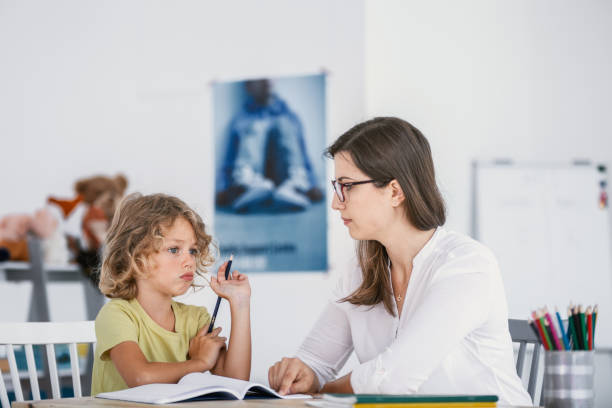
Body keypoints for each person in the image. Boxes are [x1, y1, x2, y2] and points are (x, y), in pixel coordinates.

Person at [267, 117, 532, 406]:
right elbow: (316, 361)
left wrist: (321, 390)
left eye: (347, 186)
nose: (336, 202)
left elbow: (393, 379)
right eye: (336, 186)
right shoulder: (361, 270)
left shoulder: (467, 265)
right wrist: (302, 373)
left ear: (395, 191)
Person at [91, 193, 251, 395]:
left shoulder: (195, 319)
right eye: (174, 250)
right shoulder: (117, 315)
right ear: (136, 256)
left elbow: (235, 381)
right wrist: (199, 362)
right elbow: (140, 377)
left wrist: (240, 303)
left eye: (192, 251)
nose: (189, 261)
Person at [216, 79, 323, 213]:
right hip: (256, 179)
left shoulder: (289, 116)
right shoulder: (242, 118)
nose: (266, 80)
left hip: (283, 177)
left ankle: (295, 186)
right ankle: (247, 186)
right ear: (248, 87)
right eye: (259, 78)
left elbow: (302, 153)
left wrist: (313, 183)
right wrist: (223, 187)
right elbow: (230, 157)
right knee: (255, 125)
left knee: (284, 124)